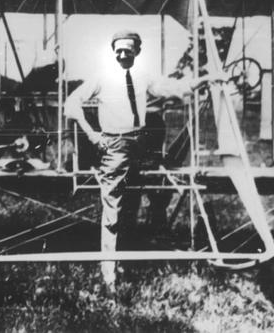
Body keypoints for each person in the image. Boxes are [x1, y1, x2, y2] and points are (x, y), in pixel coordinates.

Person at [64, 30, 227, 289]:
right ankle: (109, 275)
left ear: (137, 52)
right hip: (114, 147)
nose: (122, 54)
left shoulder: (143, 77)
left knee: (133, 204)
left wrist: (205, 79)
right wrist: (93, 135)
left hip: (139, 145)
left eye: (128, 49)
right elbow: (72, 104)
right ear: (112, 51)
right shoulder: (101, 77)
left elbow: (175, 89)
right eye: (118, 49)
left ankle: (127, 261)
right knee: (113, 210)